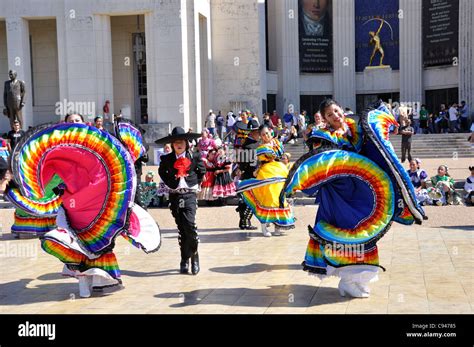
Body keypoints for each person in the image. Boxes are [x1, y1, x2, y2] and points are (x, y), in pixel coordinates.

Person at [286, 99, 426, 298]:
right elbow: (318, 165)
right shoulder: (322, 137)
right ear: (324, 120)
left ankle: (356, 279)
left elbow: (378, 142)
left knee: (365, 229)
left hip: (364, 189)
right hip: (339, 194)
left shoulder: (358, 128)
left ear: (341, 109)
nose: (335, 115)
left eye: (336, 110)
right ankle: (348, 279)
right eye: (329, 114)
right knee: (349, 231)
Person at [5, 120, 161, 297]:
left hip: (99, 212)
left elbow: (115, 180)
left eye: (78, 120)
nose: (74, 123)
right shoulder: (63, 155)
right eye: (71, 120)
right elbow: (48, 191)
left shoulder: (104, 154)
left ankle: (92, 283)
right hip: (73, 211)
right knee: (68, 244)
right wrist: (17, 191)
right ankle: (84, 279)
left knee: (96, 248)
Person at [157, 127, 205, 275]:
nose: (179, 144)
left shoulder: (195, 156)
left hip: (189, 194)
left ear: (186, 143)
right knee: (182, 230)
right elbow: (161, 172)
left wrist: (195, 182)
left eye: (181, 141)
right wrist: (171, 181)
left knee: (190, 225)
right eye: (176, 142)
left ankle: (194, 255)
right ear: (172, 144)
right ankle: (184, 259)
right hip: (175, 195)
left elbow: (202, 170)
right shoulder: (166, 159)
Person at [237, 124, 295, 237]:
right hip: (267, 172)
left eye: (267, 133)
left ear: (270, 132)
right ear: (261, 136)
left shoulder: (276, 143)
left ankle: (278, 226)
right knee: (267, 199)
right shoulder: (261, 147)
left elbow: (280, 154)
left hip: (279, 171)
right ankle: (264, 226)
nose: (266, 136)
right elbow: (269, 156)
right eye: (263, 135)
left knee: (280, 199)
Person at [234, 119, 260, 230]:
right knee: (252, 200)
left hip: (247, 175)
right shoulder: (251, 146)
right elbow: (244, 162)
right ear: (253, 132)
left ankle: (244, 222)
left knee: (246, 199)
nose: (259, 134)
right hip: (251, 175)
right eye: (258, 132)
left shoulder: (248, 144)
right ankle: (245, 221)